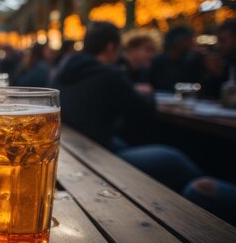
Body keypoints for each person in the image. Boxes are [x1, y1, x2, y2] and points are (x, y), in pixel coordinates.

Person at [53, 21, 201, 192]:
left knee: (125, 144)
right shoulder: (109, 75)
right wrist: (146, 94)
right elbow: (143, 113)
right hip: (96, 156)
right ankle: (205, 191)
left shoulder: (65, 69)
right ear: (111, 47)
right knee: (172, 158)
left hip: (76, 146)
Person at [149, 25, 205, 91]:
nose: (192, 43)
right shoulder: (156, 62)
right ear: (178, 41)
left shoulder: (192, 61)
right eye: (188, 40)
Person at [202, 19, 236, 97]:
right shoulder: (228, 61)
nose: (218, 46)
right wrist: (215, 73)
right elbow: (210, 96)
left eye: (223, 40)